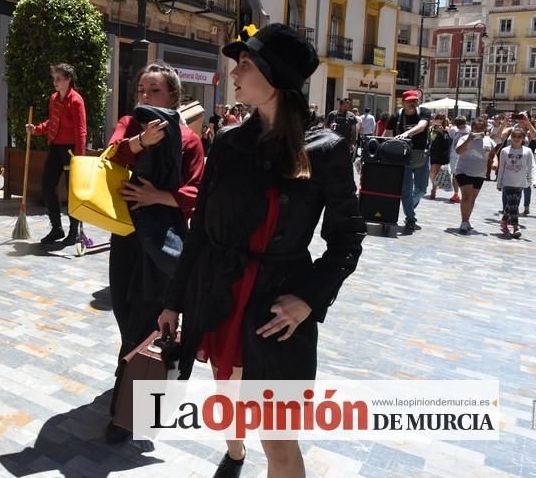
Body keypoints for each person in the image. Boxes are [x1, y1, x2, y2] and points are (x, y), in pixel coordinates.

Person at [157, 24, 365, 477]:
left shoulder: (325, 150)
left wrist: (308, 299)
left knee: (279, 443)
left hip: (277, 312)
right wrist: (174, 300)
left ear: (275, 77)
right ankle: (234, 454)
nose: (234, 72)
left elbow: (348, 238)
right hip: (222, 297)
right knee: (230, 400)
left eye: (245, 63)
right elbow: (200, 232)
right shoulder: (230, 143)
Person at [104, 60, 204, 444]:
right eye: (142, 90)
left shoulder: (189, 140)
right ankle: (146, 376)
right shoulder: (132, 125)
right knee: (125, 309)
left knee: (144, 317)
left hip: (165, 239)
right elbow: (111, 156)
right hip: (127, 235)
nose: (145, 97)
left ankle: (125, 414)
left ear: (174, 97)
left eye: (155, 91)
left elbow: (196, 192)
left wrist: (156, 196)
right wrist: (142, 142)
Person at [25, 63, 87, 246]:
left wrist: (80, 157)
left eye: (58, 79)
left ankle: (74, 231)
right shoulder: (53, 99)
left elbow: (81, 130)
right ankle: (56, 228)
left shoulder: (76, 100)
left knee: (72, 191)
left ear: (68, 80)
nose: (55, 82)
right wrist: (36, 129)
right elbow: (52, 122)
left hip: (70, 151)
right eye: (54, 79)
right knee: (47, 185)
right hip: (55, 148)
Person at [384, 90, 432, 233]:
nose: (413, 103)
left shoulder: (424, 112)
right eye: (409, 101)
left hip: (420, 154)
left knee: (421, 189)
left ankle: (409, 205)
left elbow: (422, 125)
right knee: (405, 190)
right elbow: (386, 134)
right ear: (403, 102)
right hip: (402, 156)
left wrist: (407, 133)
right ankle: (410, 218)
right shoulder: (396, 116)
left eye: (415, 100)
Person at [453, 118, 499, 234]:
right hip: (463, 170)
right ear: (472, 128)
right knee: (467, 196)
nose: (478, 130)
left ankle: (467, 220)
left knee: (473, 198)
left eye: (481, 128)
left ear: (485, 129)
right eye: (476, 128)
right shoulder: (464, 138)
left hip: (480, 173)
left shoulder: (489, 141)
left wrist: (495, 162)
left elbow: (493, 155)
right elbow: (458, 151)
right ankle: (464, 221)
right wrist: (469, 139)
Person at [496, 127, 535, 238]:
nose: (517, 139)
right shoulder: (505, 151)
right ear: (511, 138)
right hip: (508, 181)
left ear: (523, 138)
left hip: (520, 182)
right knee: (513, 204)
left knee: (512, 204)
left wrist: (533, 180)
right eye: (514, 136)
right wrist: (499, 183)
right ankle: (516, 226)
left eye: (519, 137)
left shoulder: (527, 151)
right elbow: (501, 167)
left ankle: (504, 222)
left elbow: (532, 166)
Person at [427, 113, 452, 200]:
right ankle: (434, 186)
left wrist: (442, 131)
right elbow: (429, 140)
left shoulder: (447, 129)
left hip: (442, 152)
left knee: (437, 171)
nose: (440, 120)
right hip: (433, 151)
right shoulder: (431, 129)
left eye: (442, 118)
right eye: (438, 118)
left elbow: (448, 141)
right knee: (432, 171)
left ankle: (433, 189)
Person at [447, 116, 469, 203]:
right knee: (455, 174)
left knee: (463, 175)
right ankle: (456, 193)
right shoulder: (453, 130)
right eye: (458, 125)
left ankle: (462, 193)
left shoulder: (469, 130)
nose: (460, 127)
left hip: (465, 155)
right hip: (454, 155)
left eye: (461, 125)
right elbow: (450, 141)